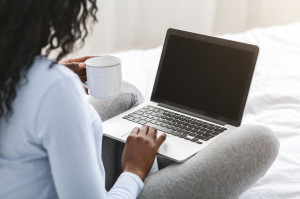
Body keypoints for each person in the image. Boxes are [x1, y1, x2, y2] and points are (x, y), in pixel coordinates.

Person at [0, 1, 279, 199]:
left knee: (128, 92)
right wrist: (134, 170)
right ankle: (160, 162)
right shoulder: (53, 90)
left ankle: (168, 153)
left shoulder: (19, 74)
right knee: (263, 139)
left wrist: (56, 72)